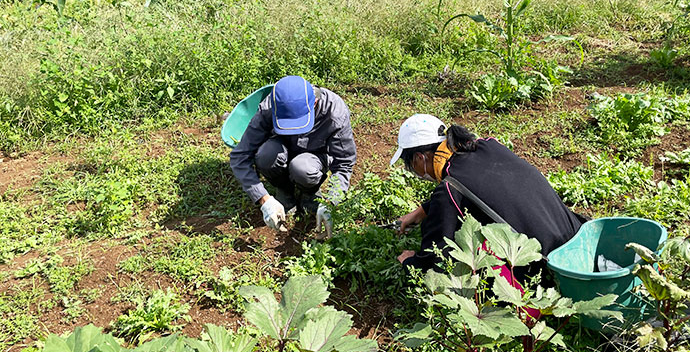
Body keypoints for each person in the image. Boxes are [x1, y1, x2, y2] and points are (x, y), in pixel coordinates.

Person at [392, 114, 582, 277]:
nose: (413, 171)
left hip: (547, 267)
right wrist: (422, 211)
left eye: (410, 165)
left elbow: (436, 259)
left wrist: (411, 262)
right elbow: (484, 187)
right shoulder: (488, 146)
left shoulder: (449, 190)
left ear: (419, 158)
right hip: (576, 238)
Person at [230, 75, 356, 237]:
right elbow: (240, 156)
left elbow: (344, 163)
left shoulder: (334, 111)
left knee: (302, 168)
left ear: (314, 103)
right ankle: (284, 189)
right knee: (266, 155)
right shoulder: (270, 106)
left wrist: (331, 201)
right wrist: (264, 199)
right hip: (280, 150)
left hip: (314, 158)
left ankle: (309, 192)